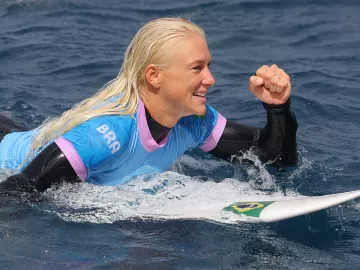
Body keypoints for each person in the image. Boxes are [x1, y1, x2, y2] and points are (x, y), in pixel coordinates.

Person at [0, 18, 298, 193]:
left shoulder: (194, 121)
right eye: (197, 68)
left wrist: (278, 109)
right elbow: (18, 190)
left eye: (209, 66)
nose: (211, 79)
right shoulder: (109, 135)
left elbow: (275, 160)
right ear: (154, 75)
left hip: (32, 140)